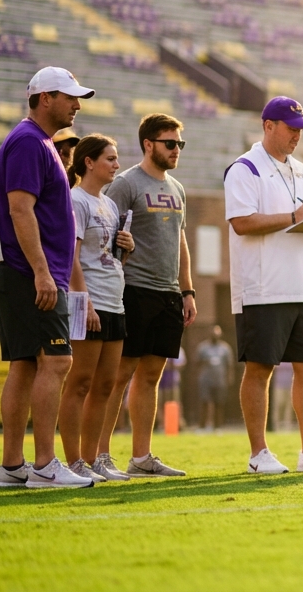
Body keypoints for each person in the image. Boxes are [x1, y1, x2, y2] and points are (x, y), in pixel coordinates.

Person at [225, 97, 303, 474]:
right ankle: (258, 453)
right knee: (260, 369)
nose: (298, 135)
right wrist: (294, 217)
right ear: (268, 126)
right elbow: (241, 222)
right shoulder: (244, 168)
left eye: (301, 129)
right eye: (291, 128)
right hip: (263, 286)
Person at [0, 66, 96, 488]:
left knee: (24, 366)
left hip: (23, 267)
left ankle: (13, 466)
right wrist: (41, 271)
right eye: (69, 96)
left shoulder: (39, 142)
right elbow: (20, 208)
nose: (76, 104)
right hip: (28, 268)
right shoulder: (28, 142)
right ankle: (45, 465)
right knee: (57, 360)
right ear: (45, 98)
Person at [99, 113, 195, 478]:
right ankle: (100, 455)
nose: (176, 151)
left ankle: (141, 457)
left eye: (179, 145)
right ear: (148, 144)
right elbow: (103, 231)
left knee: (151, 376)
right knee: (120, 374)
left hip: (169, 292)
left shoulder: (178, 188)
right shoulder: (125, 184)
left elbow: (181, 243)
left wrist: (187, 290)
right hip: (134, 290)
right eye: (170, 144)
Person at [59, 134, 135, 482]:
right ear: (88, 161)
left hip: (114, 301)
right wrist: (83, 300)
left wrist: (126, 247)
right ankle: (73, 460)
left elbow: (107, 254)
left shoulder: (110, 204)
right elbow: (71, 256)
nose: (116, 165)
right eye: (110, 159)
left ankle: (94, 459)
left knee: (106, 385)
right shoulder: (75, 200)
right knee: (80, 383)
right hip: (89, 301)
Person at [196, 327, 234, 430]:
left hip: (220, 380)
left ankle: (218, 426)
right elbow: (197, 363)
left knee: (219, 403)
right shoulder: (203, 347)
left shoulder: (225, 348)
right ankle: (202, 426)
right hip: (206, 379)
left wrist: (229, 379)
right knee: (204, 402)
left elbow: (229, 365)